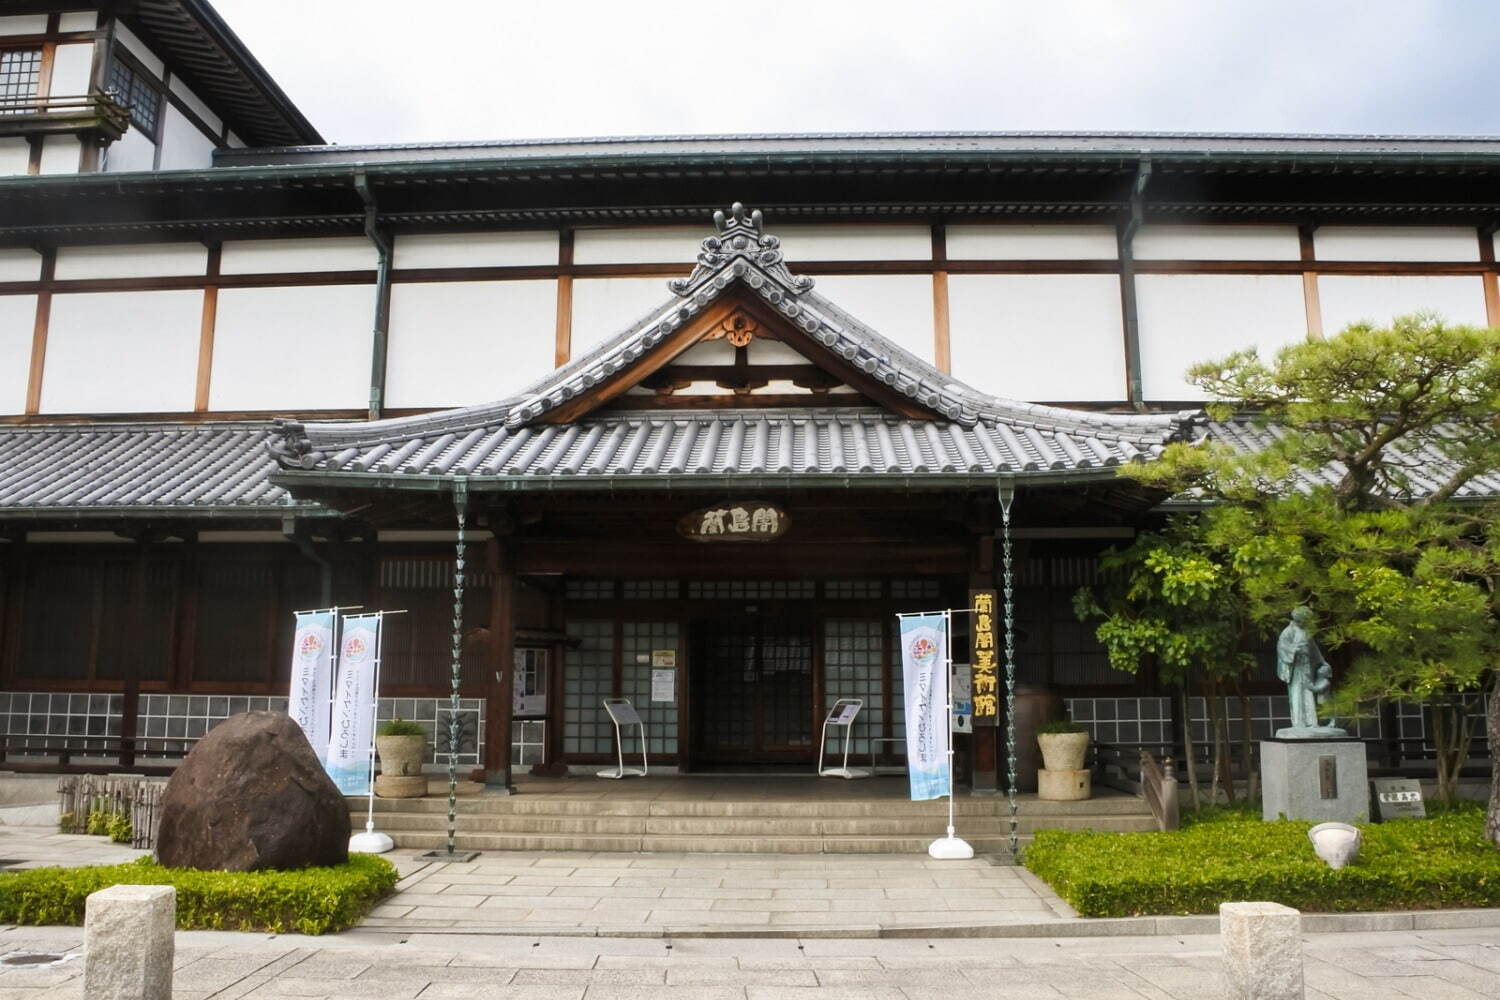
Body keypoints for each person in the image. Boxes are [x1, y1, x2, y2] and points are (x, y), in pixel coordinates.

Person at [1276, 607, 1340, 734]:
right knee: (1297, 693)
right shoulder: (1288, 631)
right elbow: (1281, 647)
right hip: (1296, 667)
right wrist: (1294, 650)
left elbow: (1315, 651)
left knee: (1309, 694)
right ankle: (1299, 722)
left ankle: (1311, 722)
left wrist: (1322, 663)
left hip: (1307, 667)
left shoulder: (1306, 632)